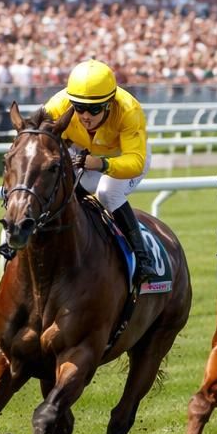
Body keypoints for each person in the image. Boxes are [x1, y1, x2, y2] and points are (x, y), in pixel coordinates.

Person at [39, 59, 160, 284]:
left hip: (124, 156)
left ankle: (143, 259)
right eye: (79, 107)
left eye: (94, 109)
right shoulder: (57, 105)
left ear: (109, 103)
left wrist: (103, 164)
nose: (86, 116)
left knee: (107, 193)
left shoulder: (128, 109)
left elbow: (135, 161)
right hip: (84, 153)